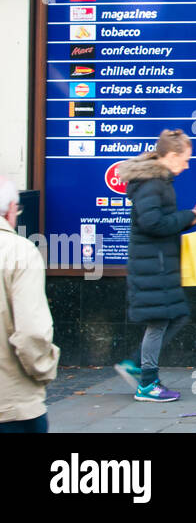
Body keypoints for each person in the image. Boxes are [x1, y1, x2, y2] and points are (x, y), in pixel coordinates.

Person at [115, 130, 196, 402]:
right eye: (186, 159)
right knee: (160, 321)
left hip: (157, 262)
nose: (187, 165)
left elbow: (155, 220)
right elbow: (151, 223)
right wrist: (186, 217)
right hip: (153, 264)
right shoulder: (154, 183)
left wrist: (186, 219)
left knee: (175, 315)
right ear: (173, 155)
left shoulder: (159, 181)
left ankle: (136, 364)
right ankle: (147, 384)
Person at [0, 179, 59, 432]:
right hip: (12, 404)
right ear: (11, 209)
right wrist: (45, 369)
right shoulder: (19, 252)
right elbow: (31, 332)